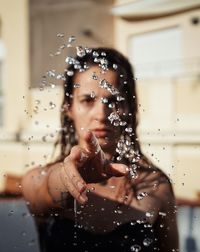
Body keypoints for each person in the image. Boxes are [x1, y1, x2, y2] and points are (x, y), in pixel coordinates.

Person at [22, 47, 179, 252]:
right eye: (87, 100)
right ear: (68, 108)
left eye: (114, 101)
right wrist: (67, 178)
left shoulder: (155, 186)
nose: (102, 114)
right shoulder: (38, 179)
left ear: (129, 109)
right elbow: (46, 190)